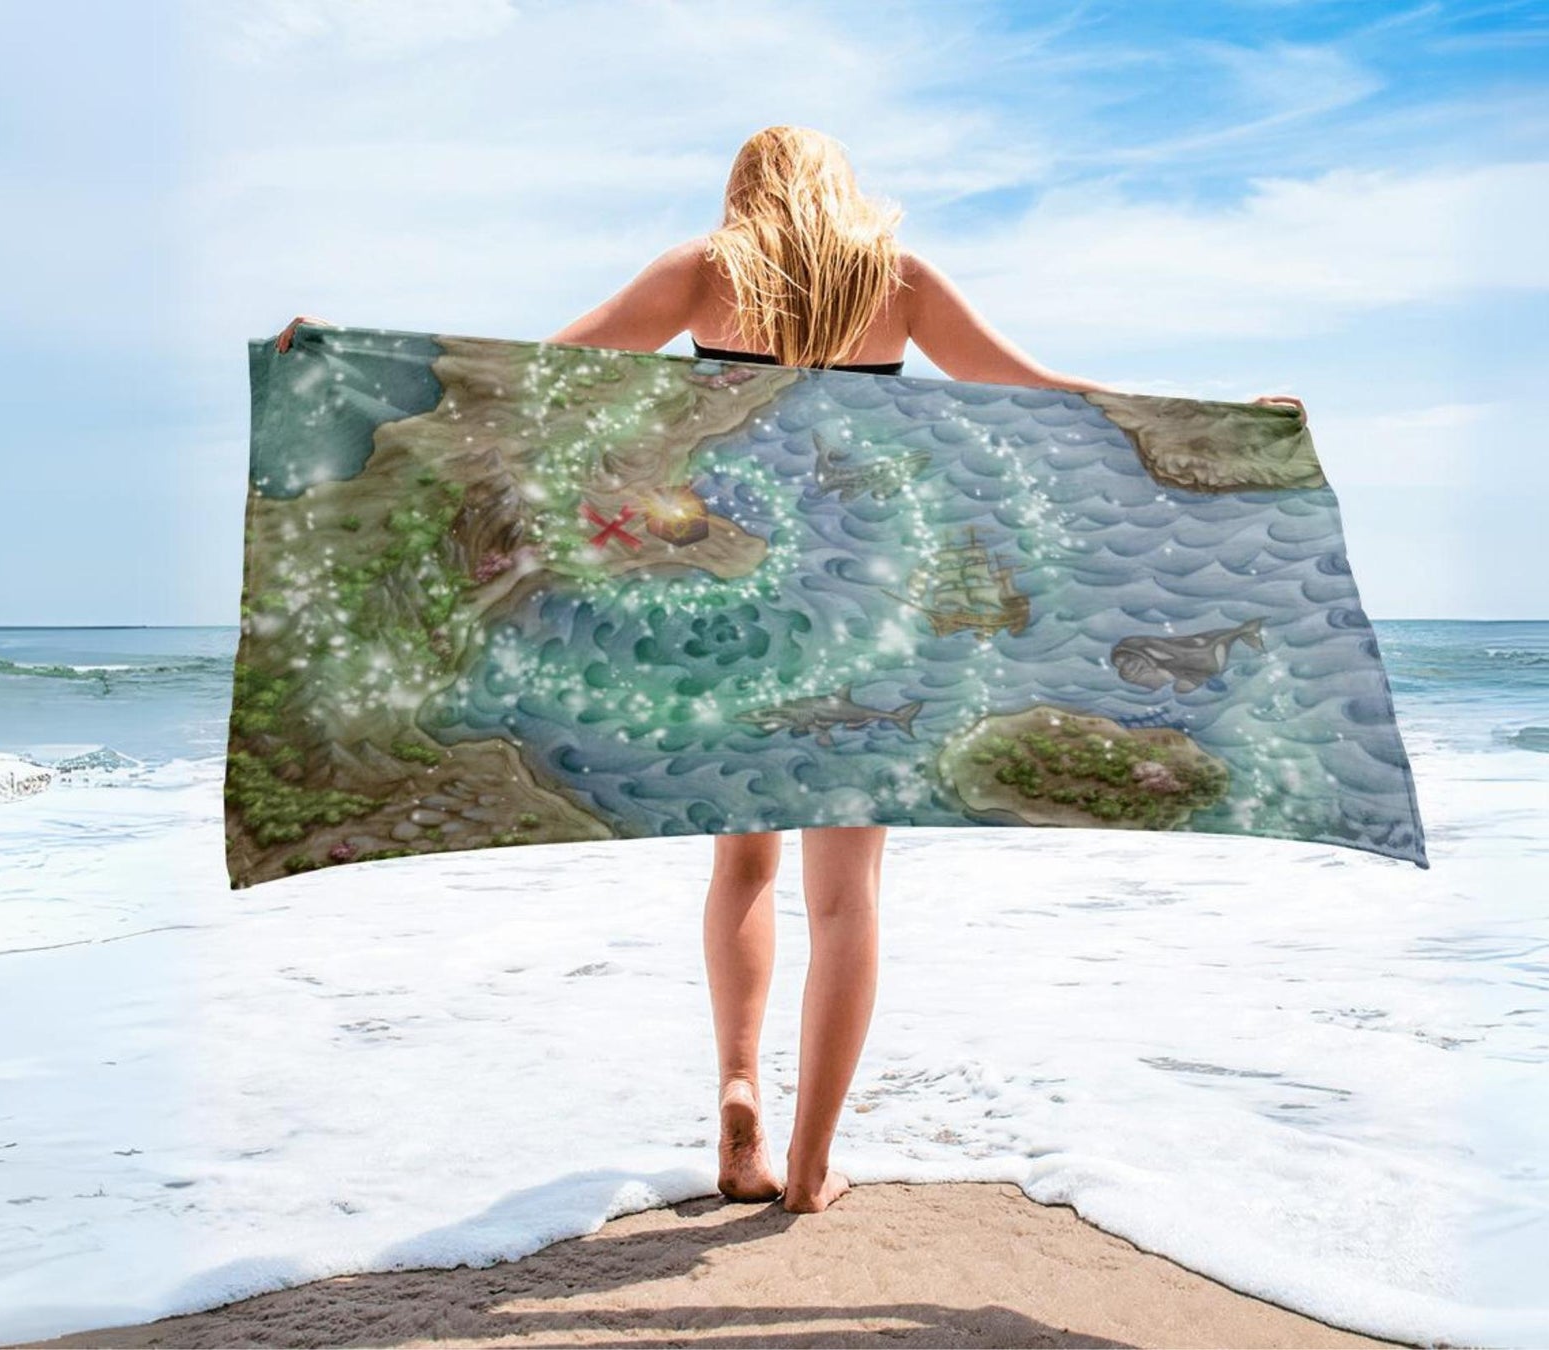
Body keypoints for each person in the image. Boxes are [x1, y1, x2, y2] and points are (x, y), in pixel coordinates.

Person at [276, 124, 1302, 1214]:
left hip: (732, 601)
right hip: (871, 608)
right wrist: (1227, 425)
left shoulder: (704, 272)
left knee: (743, 873)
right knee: (849, 902)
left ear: (744, 191)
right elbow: (1042, 391)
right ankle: (811, 1169)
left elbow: (529, 382)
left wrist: (348, 363)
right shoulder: (897, 281)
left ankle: (736, 1091)